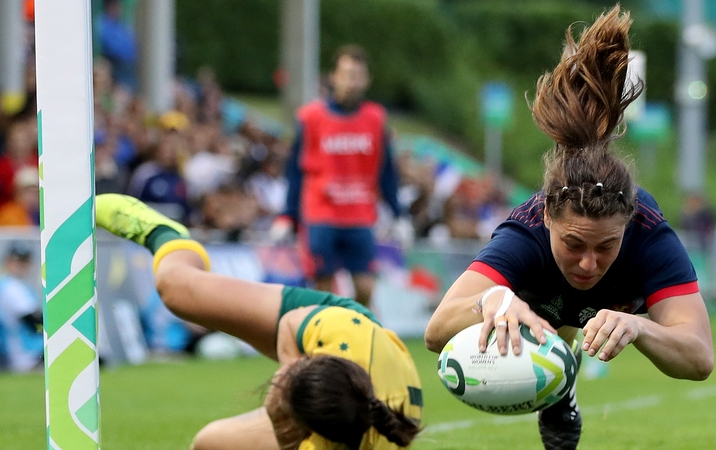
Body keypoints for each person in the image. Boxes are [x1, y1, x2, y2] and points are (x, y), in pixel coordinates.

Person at [423, 6, 714, 450]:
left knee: (580, 309)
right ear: (546, 220)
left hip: (614, 305)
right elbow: (436, 331)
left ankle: (562, 375)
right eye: (574, 242)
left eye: (607, 245)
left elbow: (699, 358)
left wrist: (641, 328)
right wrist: (493, 300)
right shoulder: (525, 233)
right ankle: (559, 384)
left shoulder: (649, 232)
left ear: (628, 226)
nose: (588, 262)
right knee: (545, 313)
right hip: (542, 303)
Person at [94, 193, 422, 450]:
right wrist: (288, 369)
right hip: (347, 328)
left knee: (210, 444)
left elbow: (209, 440)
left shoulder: (321, 445)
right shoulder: (337, 329)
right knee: (177, 289)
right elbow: (293, 323)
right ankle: (166, 234)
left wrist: (279, 417)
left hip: (353, 395)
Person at [270, 45, 409, 307]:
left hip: (360, 215)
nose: (351, 82)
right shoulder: (311, 118)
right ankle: (327, 345)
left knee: (366, 288)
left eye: (357, 75)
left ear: (366, 80)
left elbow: (386, 171)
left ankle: (356, 337)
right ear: (333, 77)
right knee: (324, 290)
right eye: (346, 74)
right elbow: (295, 171)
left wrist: (399, 214)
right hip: (321, 215)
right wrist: (287, 215)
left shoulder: (376, 119)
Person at [0, 241, 43, 372]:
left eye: (24, 260)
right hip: (25, 353)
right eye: (17, 260)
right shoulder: (11, 287)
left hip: (29, 350)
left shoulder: (20, 285)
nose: (21, 265)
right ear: (7, 261)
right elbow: (34, 321)